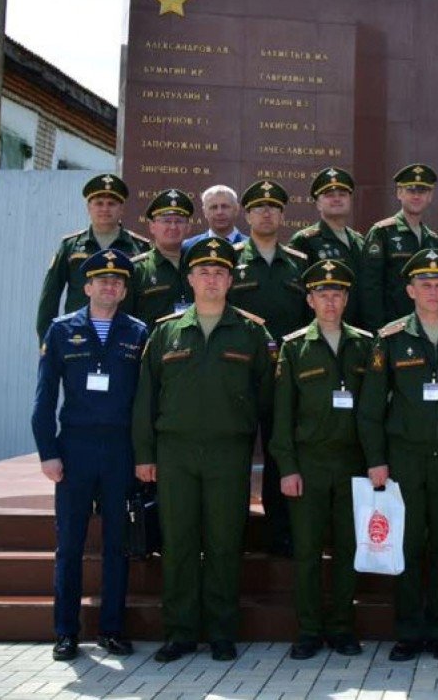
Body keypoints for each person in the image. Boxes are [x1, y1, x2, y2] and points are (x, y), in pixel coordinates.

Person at [132, 237, 276, 664]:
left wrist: (267, 461)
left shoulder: (252, 332)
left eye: (220, 273)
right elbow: (146, 399)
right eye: (204, 272)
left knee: (224, 542)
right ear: (190, 279)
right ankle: (179, 632)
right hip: (175, 452)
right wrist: (145, 455)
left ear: (231, 280)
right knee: (177, 542)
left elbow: (268, 399)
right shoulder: (166, 332)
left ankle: (221, 631)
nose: (212, 280)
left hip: (228, 453)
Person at [357, 248, 438, 663]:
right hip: (404, 458)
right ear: (410, 290)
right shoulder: (390, 338)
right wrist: (376, 460)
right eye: (424, 284)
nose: (433, 291)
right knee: (407, 545)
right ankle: (409, 631)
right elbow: (372, 408)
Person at [32, 250, 148, 661]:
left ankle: (111, 630)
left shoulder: (138, 332)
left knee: (117, 544)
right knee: (71, 545)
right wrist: (48, 452)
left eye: (117, 282)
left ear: (123, 290)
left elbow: (145, 400)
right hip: (76, 448)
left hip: (120, 450)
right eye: (102, 280)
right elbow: (45, 398)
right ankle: (65, 632)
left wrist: (143, 454)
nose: (110, 286)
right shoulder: (62, 330)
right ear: (87, 287)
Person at [270, 258, 371, 660]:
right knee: (308, 551)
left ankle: (342, 627)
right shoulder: (294, 347)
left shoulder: (365, 344)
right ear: (310, 300)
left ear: (346, 299)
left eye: (337, 294)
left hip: (352, 464)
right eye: (322, 295)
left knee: (348, 548)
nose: (330, 302)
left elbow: (375, 409)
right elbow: (282, 416)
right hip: (309, 464)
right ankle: (310, 630)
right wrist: (287, 467)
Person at [227, 178, 312, 557]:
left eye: (273, 207)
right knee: (234, 452)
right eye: (258, 207)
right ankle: (233, 529)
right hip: (240, 374)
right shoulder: (228, 262)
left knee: (282, 453)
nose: (266, 213)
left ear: (282, 215)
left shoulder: (299, 264)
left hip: (285, 376)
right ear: (246, 216)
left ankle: (283, 532)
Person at [36, 174, 149, 339]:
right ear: (89, 207)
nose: (105, 209)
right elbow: (50, 296)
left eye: (111, 204)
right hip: (77, 336)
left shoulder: (139, 247)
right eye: (99, 203)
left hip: (124, 337)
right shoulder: (70, 246)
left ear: (122, 208)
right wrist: (48, 344)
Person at [359, 164, 438, 332]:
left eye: (422, 191)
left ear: (430, 196)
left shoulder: (433, 240)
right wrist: (378, 332)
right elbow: (370, 289)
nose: (416, 196)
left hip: (425, 330)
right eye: (410, 190)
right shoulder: (382, 233)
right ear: (399, 193)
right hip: (392, 330)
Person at [288, 167, 366, 328]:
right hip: (319, 333)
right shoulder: (305, 241)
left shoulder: (359, 241)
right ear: (318, 203)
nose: (337, 199)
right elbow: (296, 294)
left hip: (357, 333)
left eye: (342, 195)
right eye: (329, 195)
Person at [128, 189, 194, 325]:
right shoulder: (137, 269)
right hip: (152, 344)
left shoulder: (198, 266)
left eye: (179, 221)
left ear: (188, 227)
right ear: (152, 226)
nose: (173, 226)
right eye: (166, 221)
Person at [182, 184, 247, 252]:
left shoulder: (253, 247)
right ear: (204, 212)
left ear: (236, 209)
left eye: (225, 206)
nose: (219, 212)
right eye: (214, 207)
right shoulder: (189, 247)